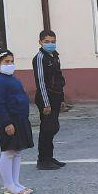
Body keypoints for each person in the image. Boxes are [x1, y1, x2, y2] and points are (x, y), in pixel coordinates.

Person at [0, 49, 34, 194]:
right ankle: (8, 185)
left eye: (12, 61)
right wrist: (7, 123)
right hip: (9, 120)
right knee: (9, 152)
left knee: (17, 151)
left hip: (20, 119)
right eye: (6, 62)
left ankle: (16, 183)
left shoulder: (12, 79)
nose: (10, 64)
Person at [33, 29, 66, 170]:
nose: (50, 44)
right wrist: (46, 103)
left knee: (53, 128)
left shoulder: (55, 56)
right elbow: (41, 82)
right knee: (46, 129)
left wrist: (62, 98)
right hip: (46, 98)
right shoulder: (40, 58)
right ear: (40, 42)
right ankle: (43, 160)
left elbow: (58, 78)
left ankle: (49, 157)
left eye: (53, 42)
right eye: (46, 42)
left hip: (56, 96)